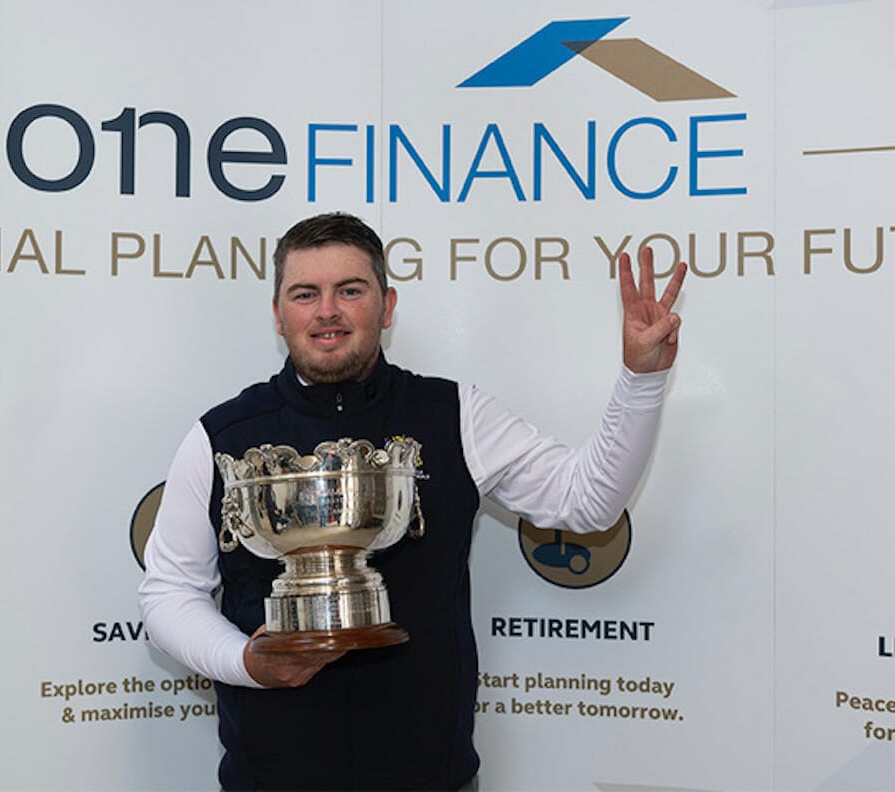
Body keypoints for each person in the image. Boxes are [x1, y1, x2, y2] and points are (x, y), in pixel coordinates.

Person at [139, 212, 686, 791]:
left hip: (431, 778)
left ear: (387, 306)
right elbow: (168, 593)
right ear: (278, 313)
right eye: (305, 294)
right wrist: (245, 662)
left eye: (351, 290)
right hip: (270, 780)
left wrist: (641, 379)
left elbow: (587, 501)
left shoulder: (454, 415)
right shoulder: (222, 437)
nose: (327, 310)